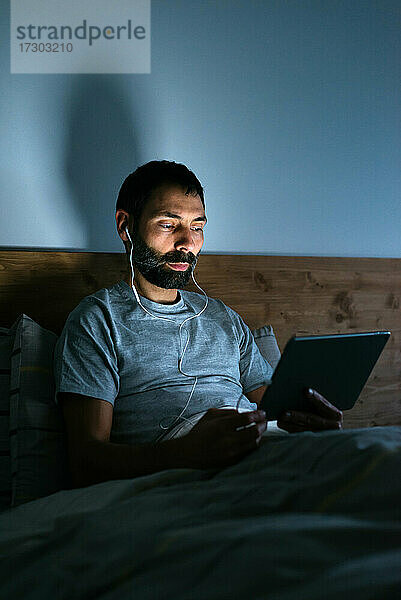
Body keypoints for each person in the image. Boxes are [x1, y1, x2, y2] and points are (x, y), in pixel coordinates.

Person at [54, 160, 343, 488]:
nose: (187, 242)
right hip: (185, 476)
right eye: (168, 224)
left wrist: (314, 427)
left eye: (197, 226)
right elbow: (85, 463)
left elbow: (276, 412)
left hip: (261, 451)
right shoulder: (98, 321)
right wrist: (183, 454)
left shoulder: (224, 319)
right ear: (125, 226)